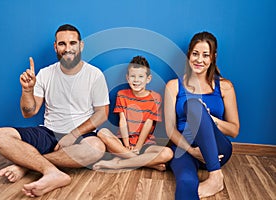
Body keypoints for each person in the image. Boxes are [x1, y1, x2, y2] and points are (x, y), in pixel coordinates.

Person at [0, 24, 109, 197]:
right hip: (48, 132)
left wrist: (73, 134)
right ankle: (51, 171)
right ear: (55, 47)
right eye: (62, 44)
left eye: (72, 43)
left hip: (81, 136)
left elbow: (102, 113)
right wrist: (27, 90)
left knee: (97, 148)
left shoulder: (95, 74)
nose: (67, 49)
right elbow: (29, 112)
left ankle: (26, 165)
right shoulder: (45, 74)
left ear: (81, 45)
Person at [164, 31, 240, 199]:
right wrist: (192, 151)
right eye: (195, 54)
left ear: (213, 57)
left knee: (193, 106)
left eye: (205, 55)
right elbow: (170, 130)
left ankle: (215, 176)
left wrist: (209, 118)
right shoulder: (173, 86)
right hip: (185, 148)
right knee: (185, 182)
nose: (199, 60)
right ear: (189, 54)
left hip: (217, 149)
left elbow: (234, 130)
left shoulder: (225, 87)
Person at [93, 56, 173, 171]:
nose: (136, 80)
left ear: (148, 79)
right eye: (133, 76)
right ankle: (146, 163)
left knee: (167, 153)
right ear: (127, 78)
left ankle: (119, 163)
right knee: (102, 133)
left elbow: (148, 124)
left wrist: (138, 147)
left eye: (141, 76)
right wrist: (126, 144)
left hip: (145, 143)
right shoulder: (122, 94)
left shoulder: (156, 98)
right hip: (122, 143)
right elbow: (122, 121)